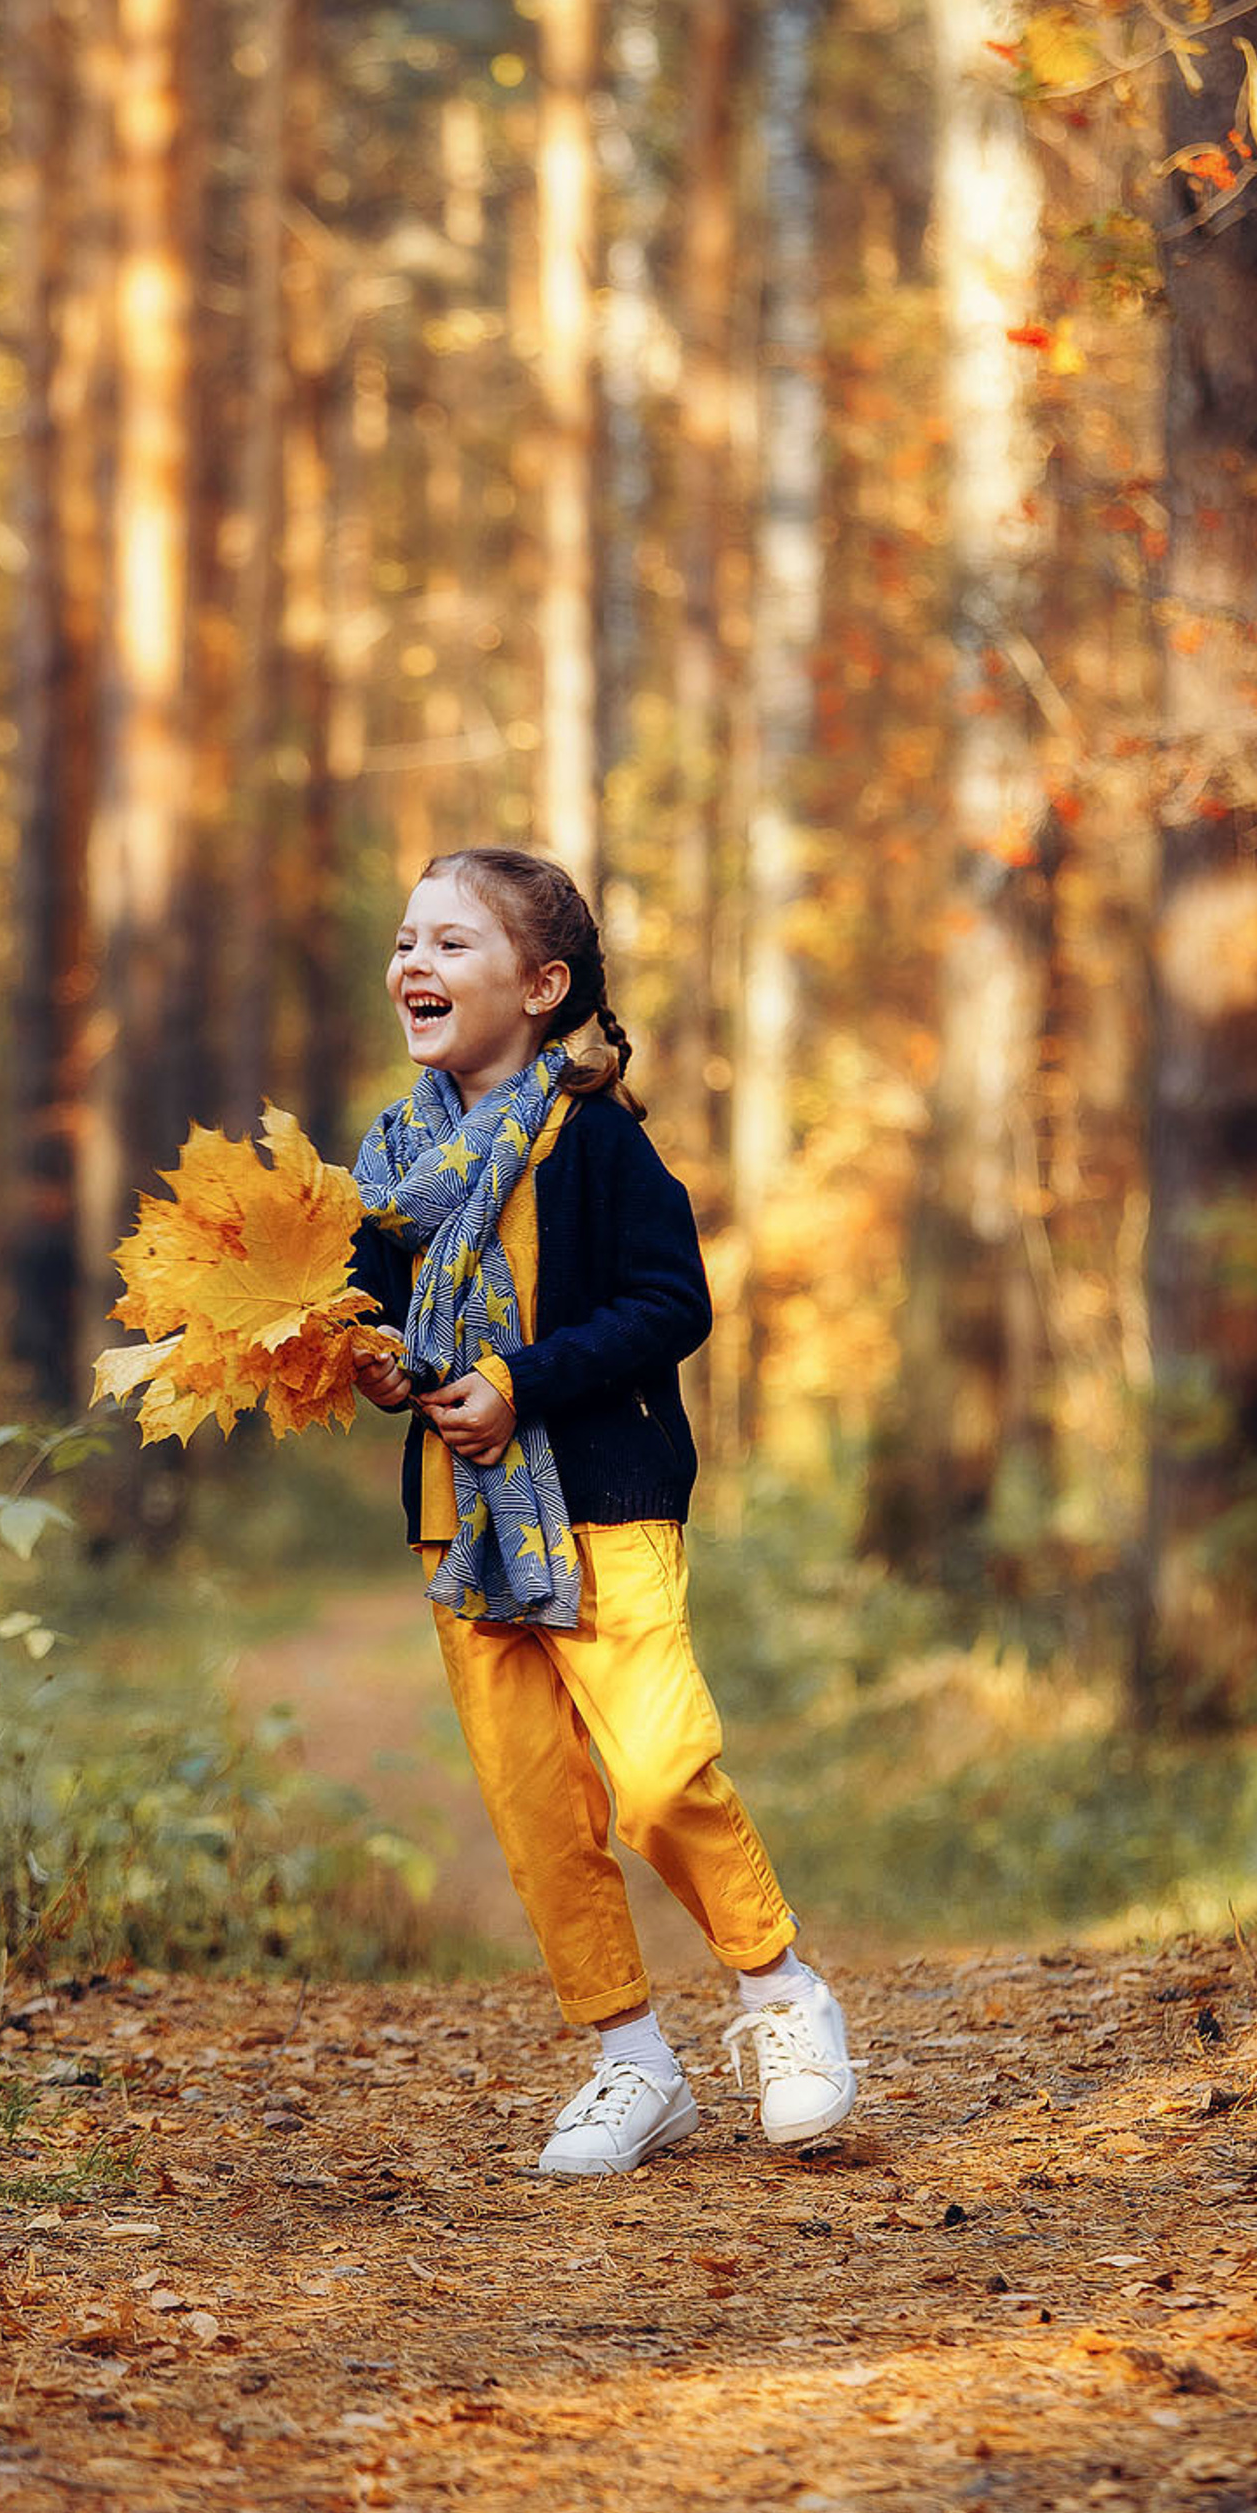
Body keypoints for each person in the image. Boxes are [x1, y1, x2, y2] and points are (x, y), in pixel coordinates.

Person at [348, 846, 855, 2177]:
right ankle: (634, 2063)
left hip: (603, 1502)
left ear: (540, 983)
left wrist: (520, 1381)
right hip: (462, 1523)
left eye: (451, 943)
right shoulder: (394, 1160)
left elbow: (669, 1304)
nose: (415, 963)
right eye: (407, 941)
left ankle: (780, 1993)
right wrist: (361, 1356)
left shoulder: (595, 1135)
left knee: (658, 1772)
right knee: (535, 1806)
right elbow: (362, 1309)